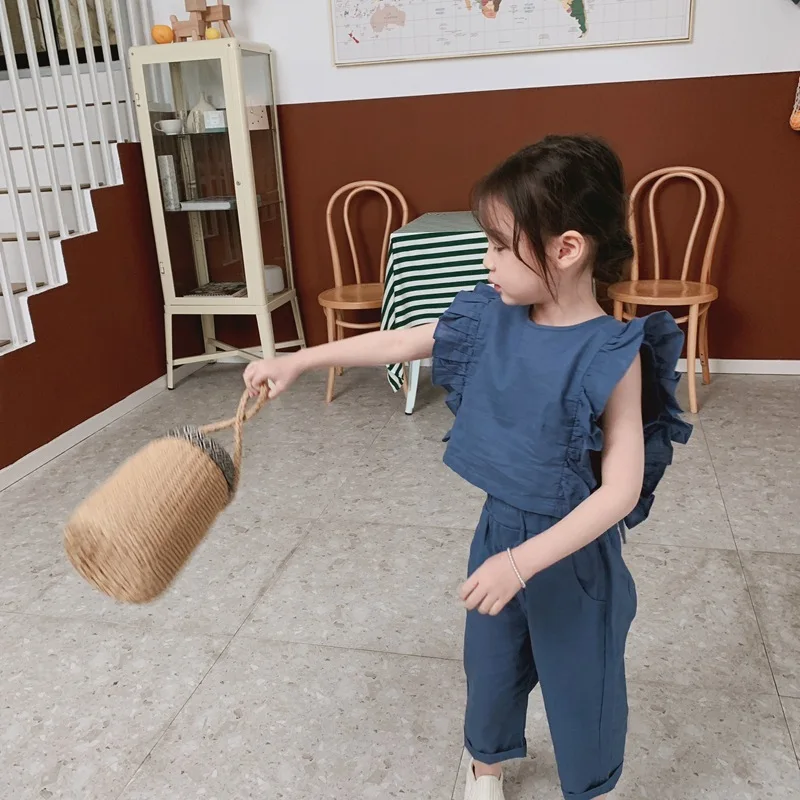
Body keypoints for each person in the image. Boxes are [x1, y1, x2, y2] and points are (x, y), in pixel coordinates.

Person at [244, 135, 692, 800]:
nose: (487, 261)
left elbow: (620, 492)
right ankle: (484, 771)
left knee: (584, 684)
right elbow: (403, 340)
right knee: (490, 668)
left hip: (574, 556)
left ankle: (590, 786)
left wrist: (523, 564)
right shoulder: (490, 315)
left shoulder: (612, 351)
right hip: (497, 533)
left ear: (567, 249)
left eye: (501, 246)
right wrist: (300, 359)